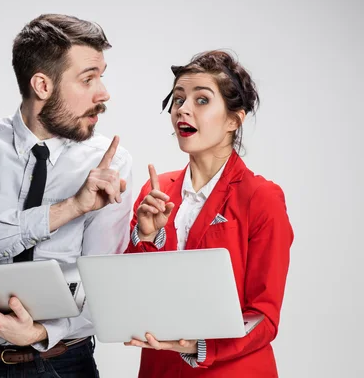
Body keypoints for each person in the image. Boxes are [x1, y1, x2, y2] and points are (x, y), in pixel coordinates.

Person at [0, 13, 133, 377]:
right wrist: (71, 207)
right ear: (42, 85)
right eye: (88, 78)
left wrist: (40, 332)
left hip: (65, 362)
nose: (103, 93)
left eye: (101, 77)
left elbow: (103, 284)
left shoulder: (112, 162)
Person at [125, 50, 293, 377]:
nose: (183, 109)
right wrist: (145, 235)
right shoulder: (155, 192)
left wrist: (198, 345)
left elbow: (264, 317)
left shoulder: (262, 198)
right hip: (160, 369)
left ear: (234, 119)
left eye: (201, 100)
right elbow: (132, 294)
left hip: (233, 370)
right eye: (178, 99)